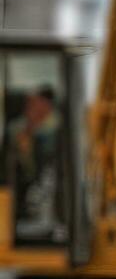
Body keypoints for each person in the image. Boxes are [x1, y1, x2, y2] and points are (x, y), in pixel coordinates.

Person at [5, 87, 62, 241]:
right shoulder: (15, 129)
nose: (31, 107)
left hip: (36, 197)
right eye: (30, 104)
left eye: (36, 103)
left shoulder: (51, 133)